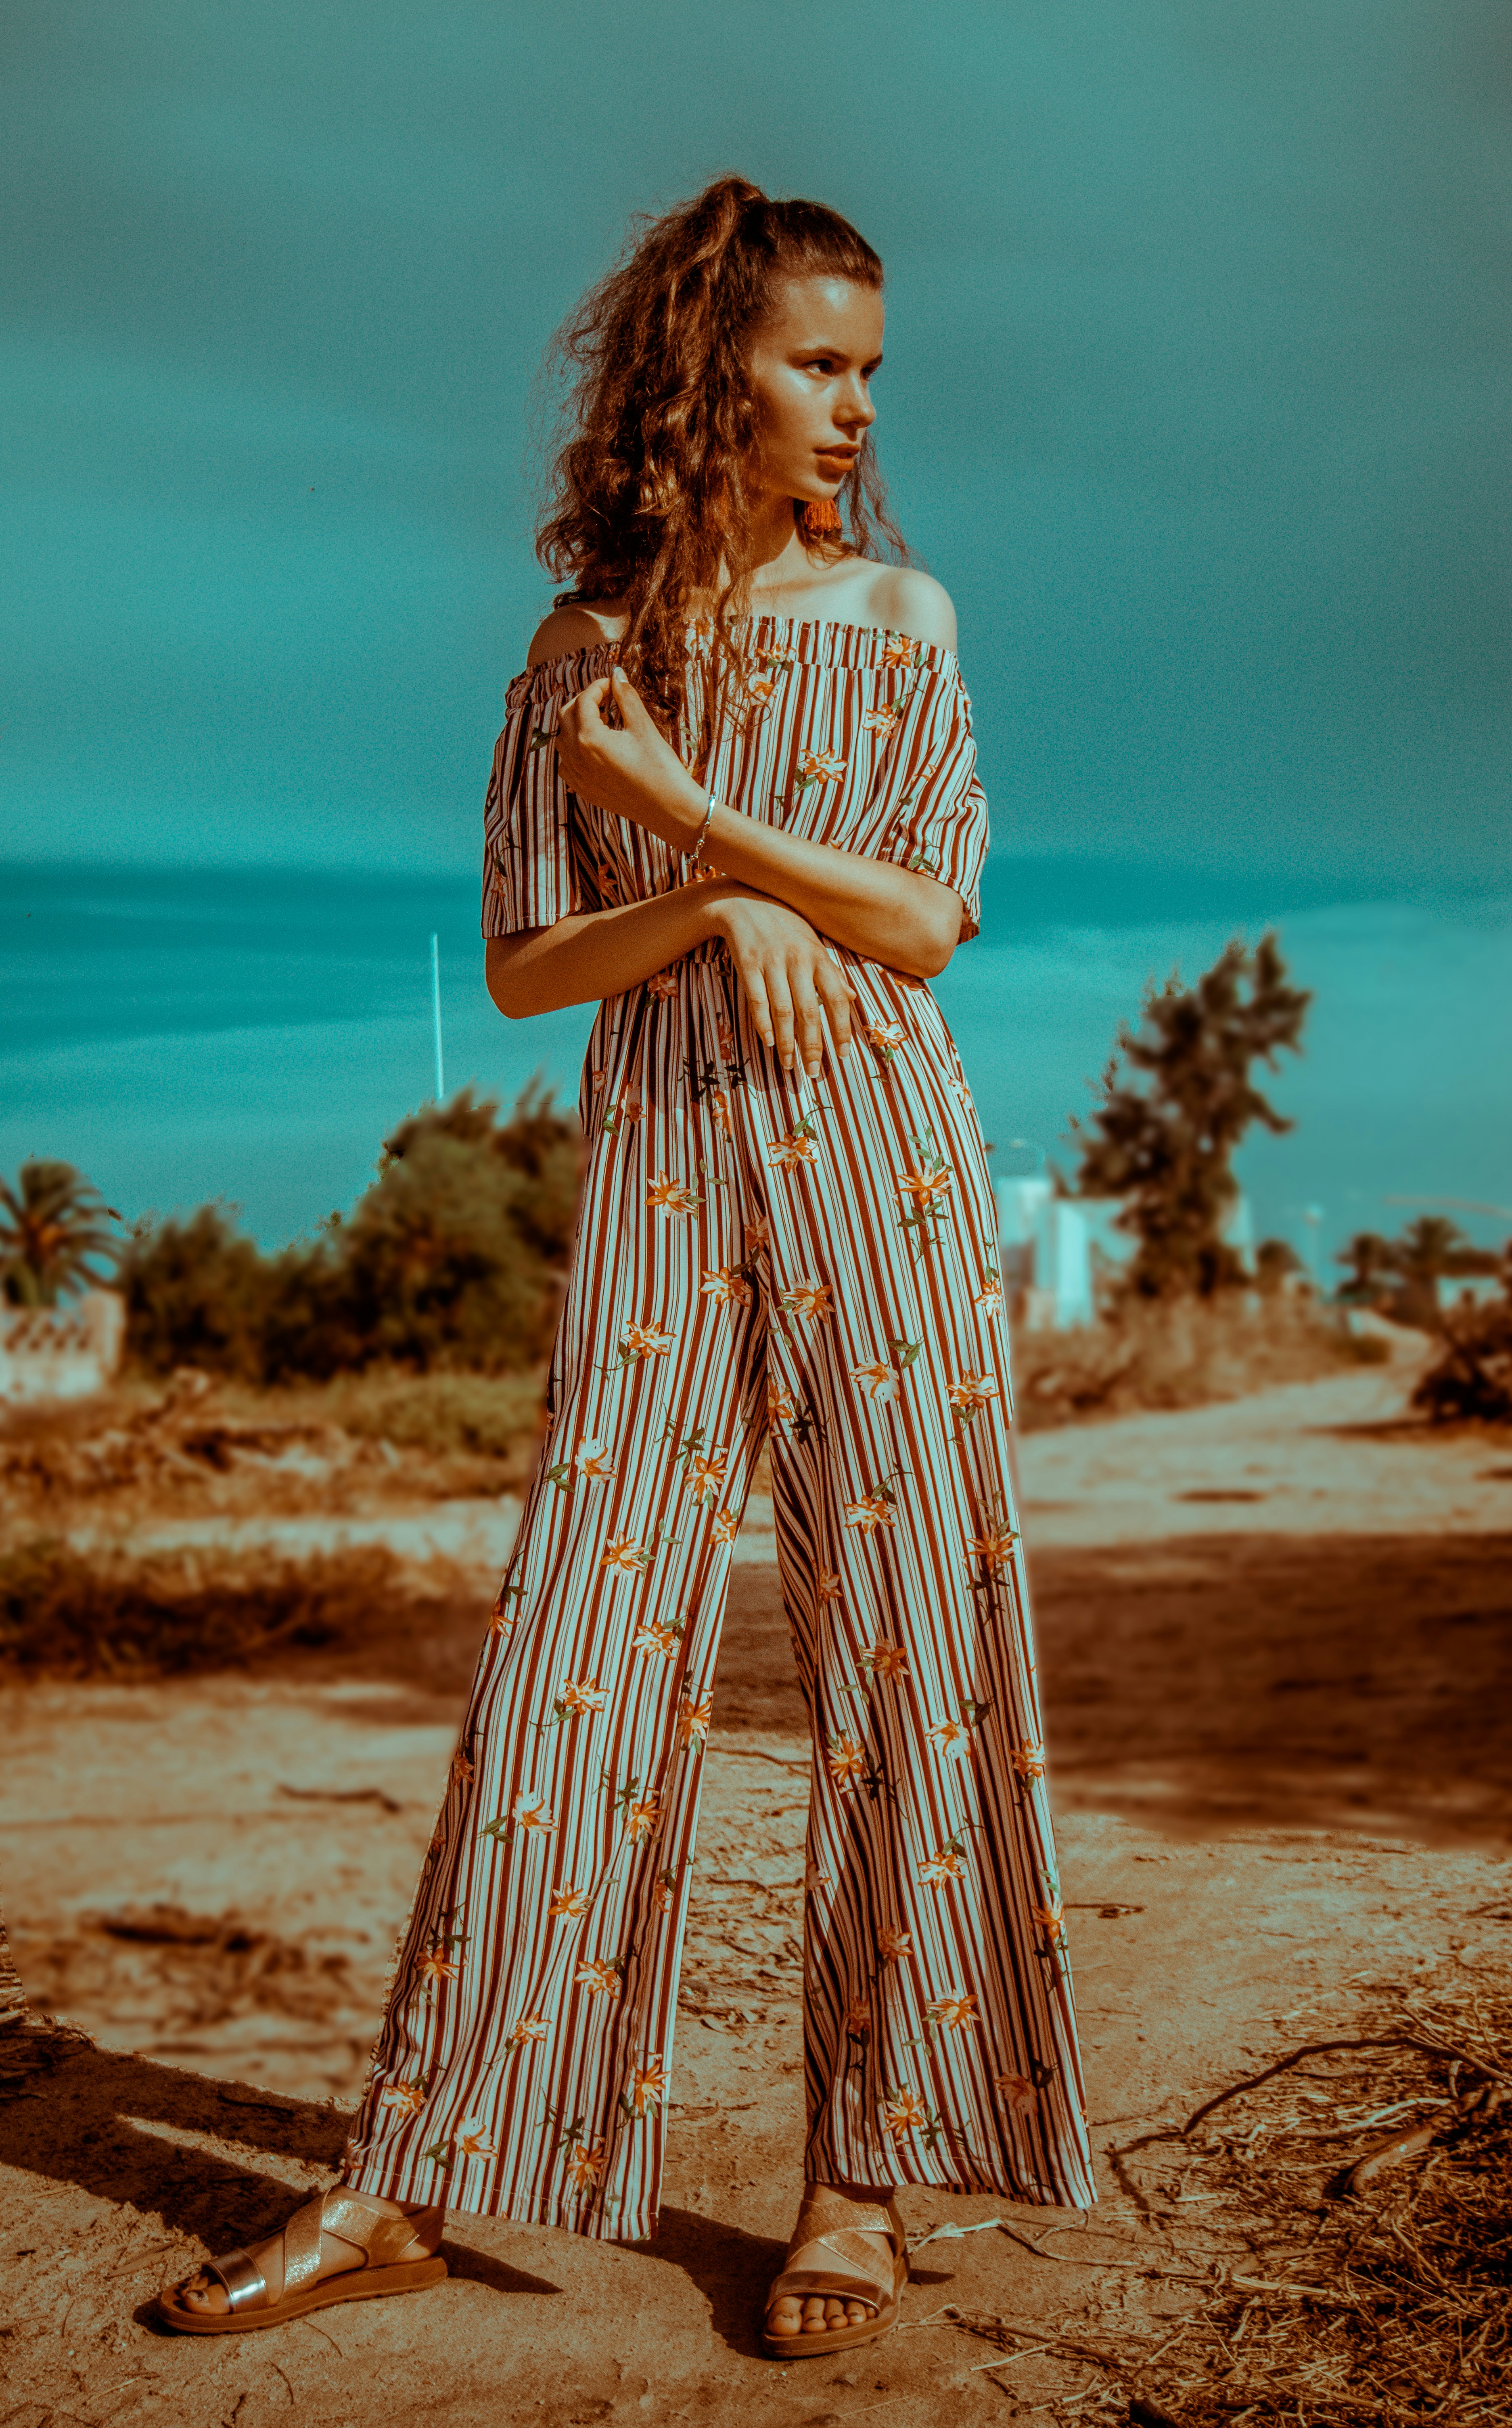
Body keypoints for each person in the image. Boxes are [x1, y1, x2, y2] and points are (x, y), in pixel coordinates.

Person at [158, 173, 1094, 2359]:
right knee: (576, 1635)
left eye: (870, 367)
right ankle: (413, 2171)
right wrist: (691, 908)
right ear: (710, 374)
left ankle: (854, 2186)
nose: (856, 406)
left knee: (902, 1644)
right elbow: (516, 968)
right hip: (667, 1153)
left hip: (878, 1142)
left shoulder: (904, 620)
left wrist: (712, 834)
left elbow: (919, 922)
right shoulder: (575, 655)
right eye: (815, 363)